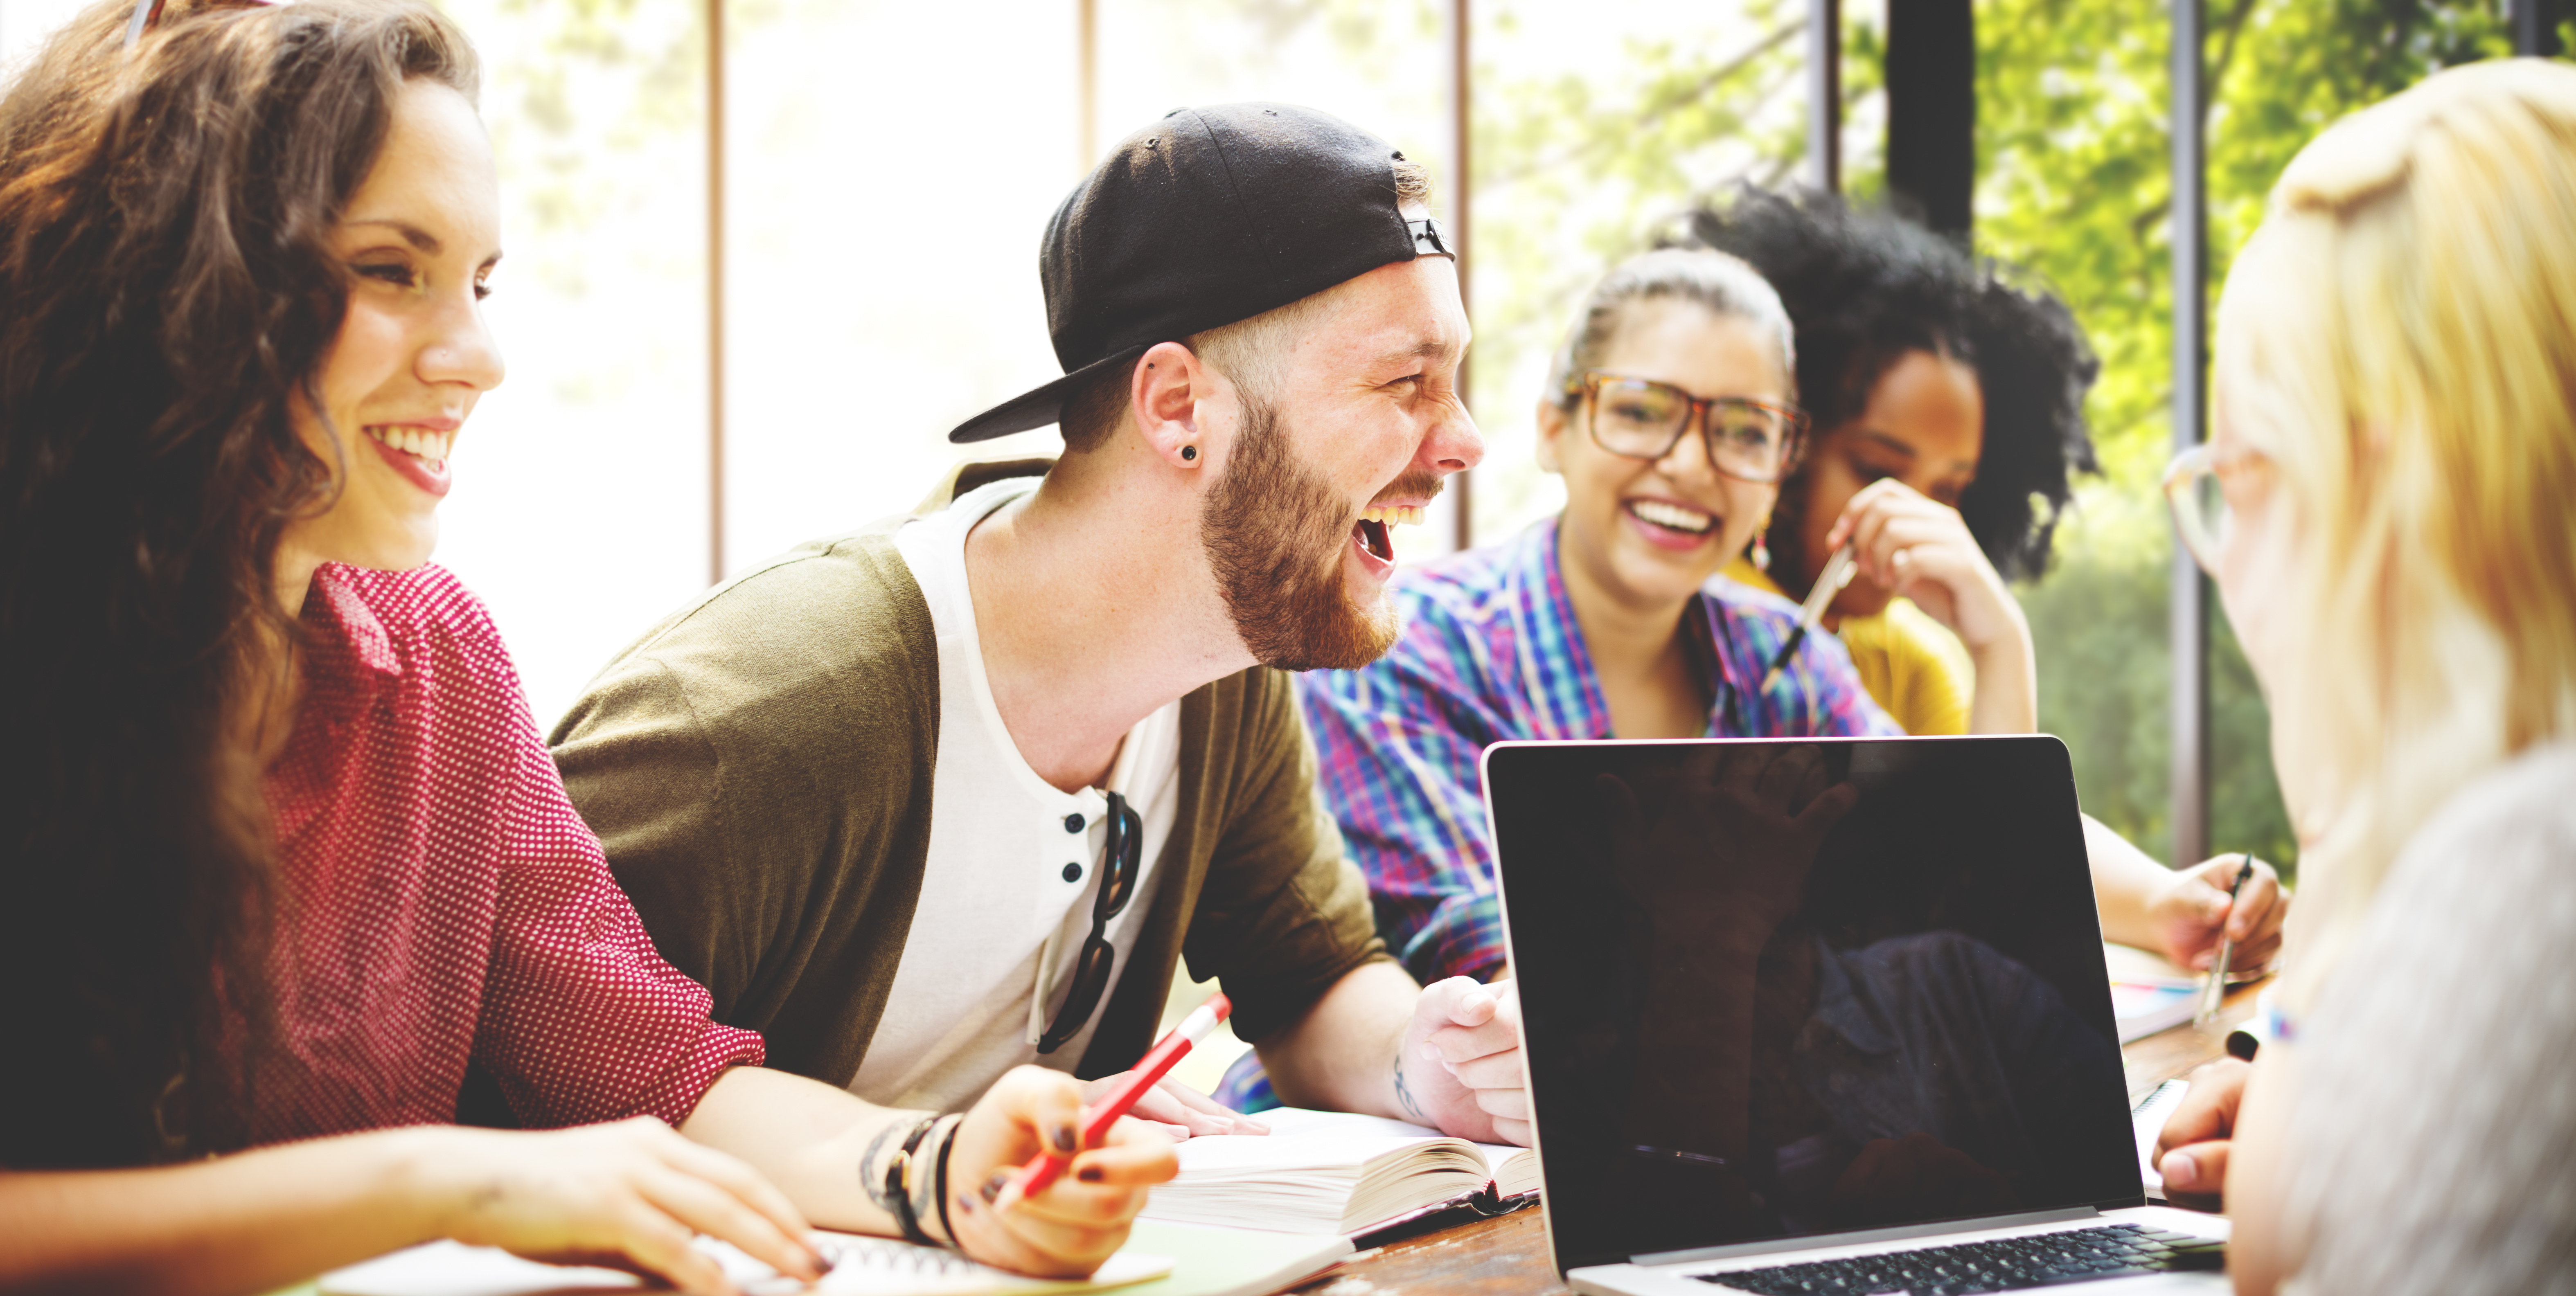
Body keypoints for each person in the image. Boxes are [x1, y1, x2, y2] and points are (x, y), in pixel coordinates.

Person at [0, 2, 1169, 1288]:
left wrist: (940, 1173)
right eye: (394, 271)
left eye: (482, 285)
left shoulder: (435, 660)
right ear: (175, 282)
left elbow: (658, 1071)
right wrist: (440, 1177)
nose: (481, 357)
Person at [545, 101, 1535, 1185]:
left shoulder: (1229, 670)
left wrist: (1420, 1059)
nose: (1468, 443)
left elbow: (1312, 976)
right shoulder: (760, 721)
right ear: (1175, 406)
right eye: (1407, 382)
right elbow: (537, 1082)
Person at [1293, 245, 2283, 1019]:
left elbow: (1960, 856)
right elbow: (1515, 979)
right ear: (1553, 426)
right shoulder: (1404, 654)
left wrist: (2164, 905)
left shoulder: (1784, 662)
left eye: (1743, 430)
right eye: (1641, 411)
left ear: (1780, 466)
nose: (1690, 464)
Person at [2139, 59, 2576, 1294]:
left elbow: (2268, 1265)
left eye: (2243, 473)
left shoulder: (2525, 876)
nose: (2230, 560)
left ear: (2384, 496)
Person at [1688, 189, 2291, 974]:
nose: (1909, 511)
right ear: (1782, 439)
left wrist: (2166, 902)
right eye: (1876, 468)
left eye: (1948, 488)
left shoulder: (1913, 657)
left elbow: (1993, 834)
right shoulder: (1702, 616)